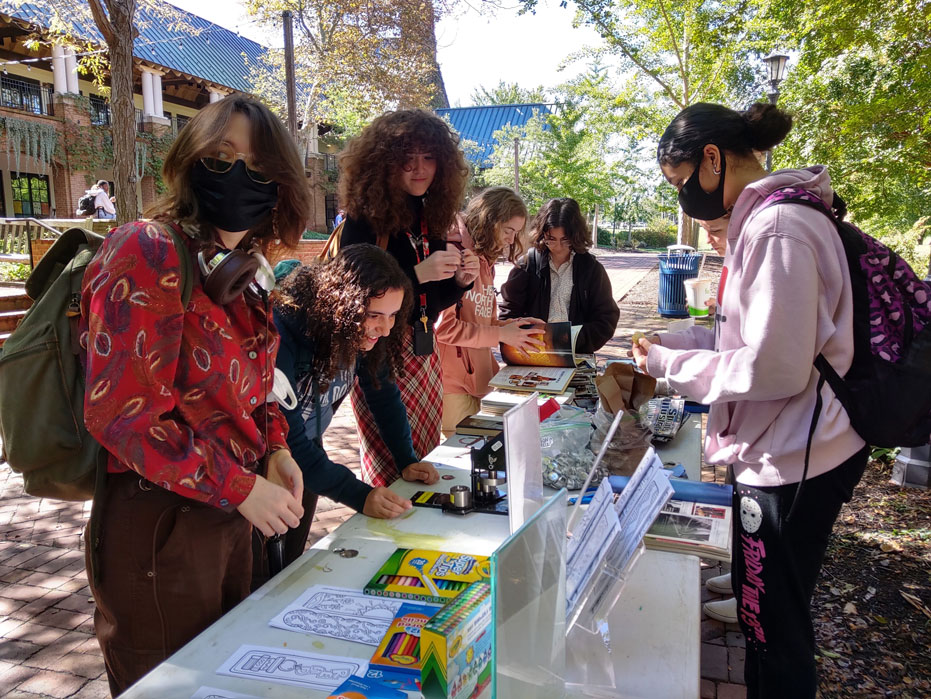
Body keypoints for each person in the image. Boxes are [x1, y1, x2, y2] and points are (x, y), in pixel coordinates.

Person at [631, 101, 868, 699]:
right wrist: (672, 342)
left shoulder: (780, 227)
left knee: (773, 629)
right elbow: (738, 336)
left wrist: (667, 365)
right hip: (782, 447)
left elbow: (774, 367)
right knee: (765, 619)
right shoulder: (768, 220)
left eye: (683, 183)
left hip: (796, 457)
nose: (686, 200)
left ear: (713, 160)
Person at [79, 95, 309, 694]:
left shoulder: (240, 267)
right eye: (222, 155)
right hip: (162, 523)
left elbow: (260, 391)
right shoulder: (147, 249)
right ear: (189, 159)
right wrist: (239, 486)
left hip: (234, 515)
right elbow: (119, 414)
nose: (239, 176)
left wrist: (277, 450)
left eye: (259, 169)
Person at [273, 246, 440, 567]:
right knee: (258, 576)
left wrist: (405, 458)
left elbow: (383, 393)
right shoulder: (284, 332)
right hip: (264, 460)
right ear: (341, 305)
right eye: (375, 316)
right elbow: (286, 436)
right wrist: (358, 495)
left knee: (289, 564)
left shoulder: (360, 334)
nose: (386, 329)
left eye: (393, 316)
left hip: (307, 456)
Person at [336, 109, 477, 487]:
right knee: (391, 467)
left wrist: (460, 282)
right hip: (379, 352)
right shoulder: (363, 220)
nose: (419, 168)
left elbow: (427, 303)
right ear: (384, 163)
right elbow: (354, 296)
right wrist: (418, 273)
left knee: (425, 461)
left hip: (424, 355)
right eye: (406, 158)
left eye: (428, 157)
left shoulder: (431, 216)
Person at [436, 187, 544, 436]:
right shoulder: (456, 253)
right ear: (490, 220)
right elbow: (444, 328)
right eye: (508, 231)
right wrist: (501, 335)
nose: (510, 240)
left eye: (515, 233)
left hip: (481, 380)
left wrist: (513, 327)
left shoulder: (486, 261)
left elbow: (484, 321)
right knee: (462, 460)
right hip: (451, 382)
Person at [500, 197, 619, 354]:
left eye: (565, 239)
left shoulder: (591, 269)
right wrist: (521, 340)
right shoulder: (527, 265)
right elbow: (509, 313)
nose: (558, 247)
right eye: (551, 239)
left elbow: (606, 318)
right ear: (542, 235)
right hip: (532, 353)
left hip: (575, 353)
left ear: (576, 235)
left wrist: (572, 340)